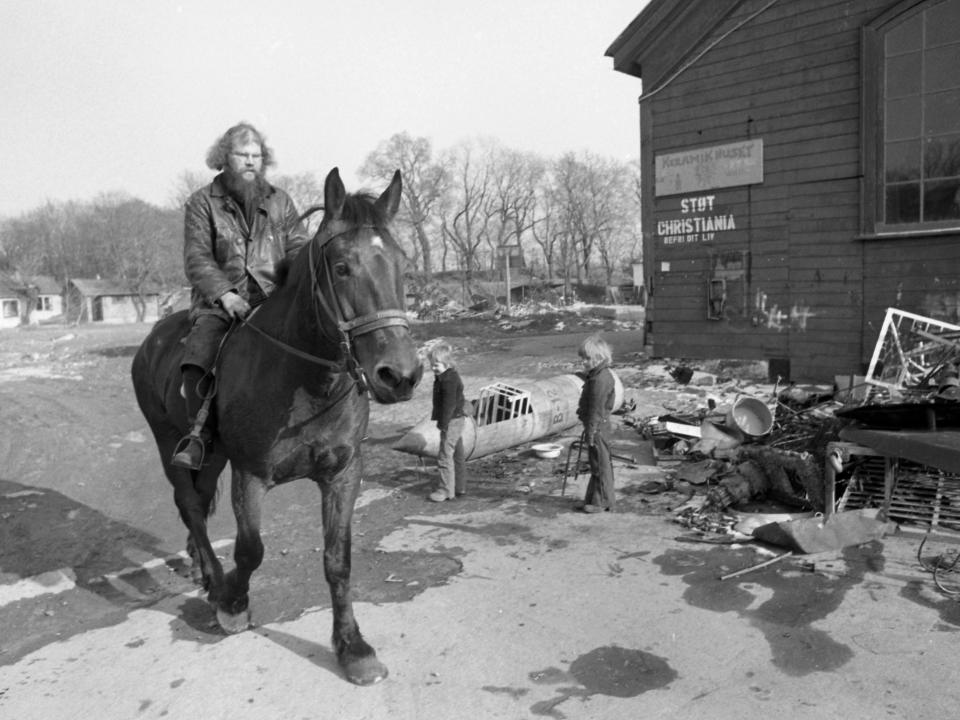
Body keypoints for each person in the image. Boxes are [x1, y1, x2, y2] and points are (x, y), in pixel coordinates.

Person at [170, 122, 309, 469]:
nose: (250, 162)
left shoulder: (281, 201)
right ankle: (199, 436)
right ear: (223, 158)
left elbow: (297, 245)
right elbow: (197, 258)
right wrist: (226, 296)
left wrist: (297, 279)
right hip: (221, 305)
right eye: (242, 155)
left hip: (274, 299)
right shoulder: (202, 203)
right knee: (198, 357)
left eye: (256, 156)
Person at [576, 334, 617, 513]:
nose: (583, 362)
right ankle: (594, 499)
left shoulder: (600, 380)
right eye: (582, 358)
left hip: (597, 426)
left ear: (598, 358)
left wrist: (591, 431)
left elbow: (596, 409)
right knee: (597, 463)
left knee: (600, 465)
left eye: (587, 358)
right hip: (598, 425)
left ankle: (602, 502)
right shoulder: (598, 375)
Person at [428, 341, 468, 502]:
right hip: (456, 419)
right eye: (431, 364)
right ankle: (459, 487)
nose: (433, 368)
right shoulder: (444, 376)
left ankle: (445, 491)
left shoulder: (448, 380)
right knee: (457, 454)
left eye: (436, 364)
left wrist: (443, 424)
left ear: (447, 363)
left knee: (444, 456)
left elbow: (449, 404)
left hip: (452, 421)